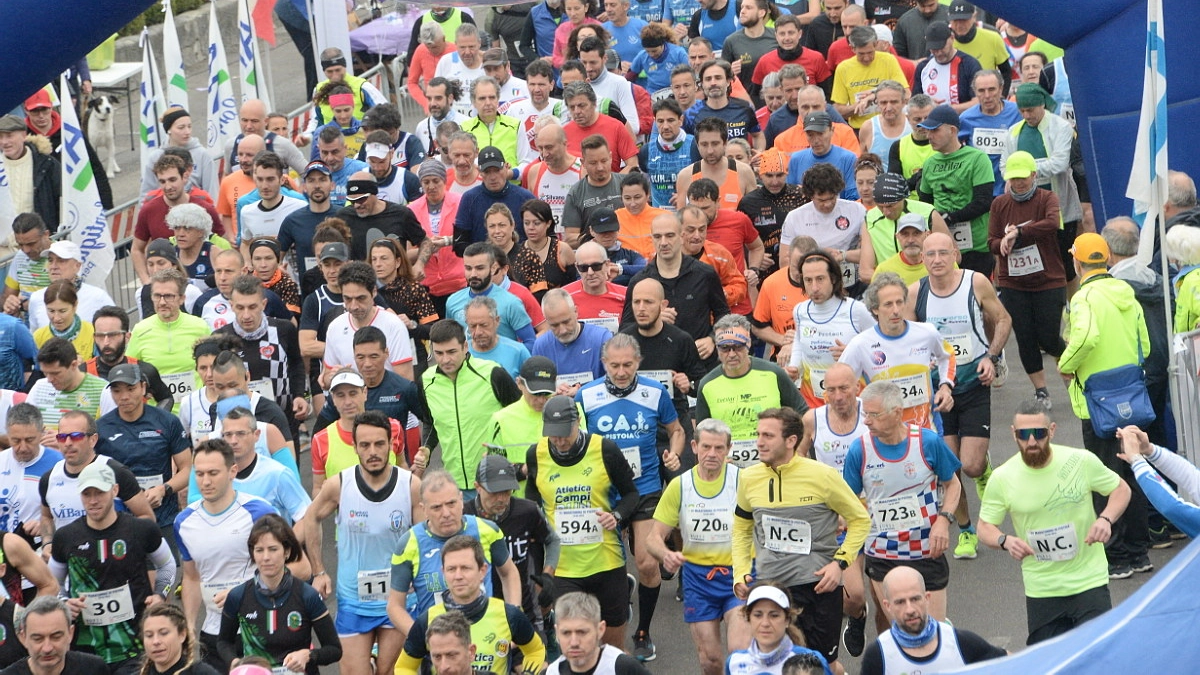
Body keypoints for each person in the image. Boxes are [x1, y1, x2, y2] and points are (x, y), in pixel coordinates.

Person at [977, 400, 1132, 644]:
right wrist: (1004, 540)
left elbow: (1120, 489)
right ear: (1013, 434)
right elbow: (985, 527)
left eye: (1038, 434)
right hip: (1042, 587)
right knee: (1050, 661)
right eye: (1023, 434)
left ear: (1051, 430)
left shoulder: (1080, 461)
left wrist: (1105, 519)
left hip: (1088, 579)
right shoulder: (1002, 477)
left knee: (1097, 655)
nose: (1031, 442)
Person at [732, 408, 869, 671]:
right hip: (773, 588)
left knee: (821, 665)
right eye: (758, 434)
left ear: (791, 440)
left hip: (817, 587)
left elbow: (860, 520)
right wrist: (739, 572)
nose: (759, 442)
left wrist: (839, 564)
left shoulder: (822, 476)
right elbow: (741, 528)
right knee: (780, 663)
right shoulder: (749, 477)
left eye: (768, 436)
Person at [575, 334, 682, 656]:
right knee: (605, 568)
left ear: (638, 363)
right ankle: (619, 596)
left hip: (644, 487)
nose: (621, 372)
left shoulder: (655, 392)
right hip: (601, 491)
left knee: (648, 563)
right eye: (614, 365)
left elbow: (676, 429)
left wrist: (674, 453)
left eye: (627, 365)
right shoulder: (586, 395)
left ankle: (643, 632)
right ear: (603, 363)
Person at [908, 230, 1011, 559]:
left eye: (943, 253)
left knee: (970, 466)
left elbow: (1003, 318)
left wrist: (991, 358)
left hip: (972, 383)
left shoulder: (975, 282)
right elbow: (909, 342)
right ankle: (966, 531)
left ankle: (982, 468)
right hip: (939, 392)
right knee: (948, 469)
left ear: (955, 254)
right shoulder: (916, 292)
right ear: (921, 259)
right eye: (930, 254)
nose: (937, 260)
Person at [1057, 232, 1154, 579]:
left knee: (1105, 478)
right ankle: (1140, 552)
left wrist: (1065, 364)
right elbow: (1145, 344)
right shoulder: (1126, 292)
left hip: (1097, 402)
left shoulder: (1083, 298)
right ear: (1108, 258)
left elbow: (1085, 337)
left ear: (1077, 262)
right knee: (1134, 471)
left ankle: (1117, 558)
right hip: (1131, 394)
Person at [842, 380, 963, 633]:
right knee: (904, 630)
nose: (866, 421)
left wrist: (944, 520)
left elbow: (953, 485)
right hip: (883, 552)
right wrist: (848, 516)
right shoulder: (860, 450)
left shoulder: (927, 442)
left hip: (926, 550)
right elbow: (847, 499)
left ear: (897, 412)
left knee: (934, 631)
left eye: (874, 415)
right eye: (866, 414)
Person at [305, 411, 420, 675]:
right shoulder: (339, 485)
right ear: (355, 447)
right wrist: (318, 570)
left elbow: (425, 536)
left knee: (388, 672)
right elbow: (311, 518)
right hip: (354, 599)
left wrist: (419, 575)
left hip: (399, 599)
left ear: (391, 444)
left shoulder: (410, 485)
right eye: (365, 445)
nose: (373, 451)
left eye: (380, 444)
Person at [526, 396, 641, 649]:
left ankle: (624, 591)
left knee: (610, 651)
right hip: (564, 568)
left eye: (565, 433)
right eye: (553, 434)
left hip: (606, 561)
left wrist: (617, 516)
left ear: (578, 421)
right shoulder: (536, 454)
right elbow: (532, 506)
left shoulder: (605, 449)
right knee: (576, 648)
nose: (559, 440)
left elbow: (632, 495)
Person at [48, 461, 176, 673]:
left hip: (134, 646)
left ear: (115, 490)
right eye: (86, 494)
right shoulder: (66, 537)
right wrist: (63, 603)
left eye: (99, 492)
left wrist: (160, 595)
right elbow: (52, 584)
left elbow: (168, 565)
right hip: (85, 648)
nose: (93, 500)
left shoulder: (141, 529)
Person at [645, 419, 749, 674]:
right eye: (706, 447)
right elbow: (653, 538)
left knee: (739, 654)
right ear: (694, 446)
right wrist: (666, 554)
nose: (712, 454)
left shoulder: (743, 481)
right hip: (698, 579)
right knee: (710, 660)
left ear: (728, 449)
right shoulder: (680, 486)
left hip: (739, 575)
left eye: (718, 448)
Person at [174, 439, 277, 673]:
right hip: (214, 632)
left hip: (258, 626)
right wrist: (189, 626)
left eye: (213, 473)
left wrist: (243, 593)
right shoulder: (184, 522)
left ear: (233, 471)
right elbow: (191, 577)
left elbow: (296, 568)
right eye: (199, 474)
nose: (206, 481)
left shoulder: (259, 511)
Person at [386, 469, 521, 632]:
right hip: (439, 645)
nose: (446, 513)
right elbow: (394, 606)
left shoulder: (487, 530)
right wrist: (421, 639)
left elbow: (509, 573)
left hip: (486, 638)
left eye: (451, 504)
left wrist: (513, 618)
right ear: (424, 509)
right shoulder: (409, 543)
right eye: (436, 507)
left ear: (461, 500)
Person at [395, 535, 545, 674]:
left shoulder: (508, 614)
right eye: (451, 569)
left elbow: (536, 651)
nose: (458, 576)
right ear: (443, 572)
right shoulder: (427, 620)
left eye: (465, 568)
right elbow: (404, 667)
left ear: (482, 571)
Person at [987, 151, 1065, 405]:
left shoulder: (1047, 198)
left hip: (1048, 279)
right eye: (1013, 178)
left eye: (1023, 178)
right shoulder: (1000, 204)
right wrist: (1003, 242)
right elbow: (991, 241)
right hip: (1014, 282)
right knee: (1025, 337)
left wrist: (1018, 233)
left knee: (1049, 336)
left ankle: (1075, 372)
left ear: (1034, 175)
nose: (1018, 183)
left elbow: (1052, 224)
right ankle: (1041, 390)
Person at [217, 515, 341, 673]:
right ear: (253, 554)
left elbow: (334, 649)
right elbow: (223, 642)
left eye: (273, 549)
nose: (266, 557)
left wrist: (308, 655)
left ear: (287, 552)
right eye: (259, 550)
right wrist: (234, 662)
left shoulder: (307, 595)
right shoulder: (238, 596)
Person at [94, 363, 191, 551]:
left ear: (143, 388)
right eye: (117, 391)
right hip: (118, 520)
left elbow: (187, 468)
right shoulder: (101, 428)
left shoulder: (167, 421)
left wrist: (164, 489)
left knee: (168, 577)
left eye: (131, 389)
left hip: (163, 517)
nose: (124, 397)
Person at [839, 272, 954, 430]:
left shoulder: (927, 333)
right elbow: (839, 382)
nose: (896, 310)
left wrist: (945, 386)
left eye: (899, 302)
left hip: (926, 430)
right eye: (888, 304)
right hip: (882, 434)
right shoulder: (860, 345)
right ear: (875, 309)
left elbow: (947, 355)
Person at [420, 320, 522, 496]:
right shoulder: (427, 381)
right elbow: (431, 423)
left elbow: (520, 416)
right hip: (455, 485)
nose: (445, 359)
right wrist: (427, 449)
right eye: (439, 353)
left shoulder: (492, 374)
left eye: (451, 352)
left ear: (465, 346)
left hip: (494, 480)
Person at [1000, 83, 1085, 287]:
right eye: (1022, 111)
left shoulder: (1061, 127)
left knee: (1065, 264)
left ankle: (1070, 309)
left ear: (1042, 105)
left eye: (1031, 110)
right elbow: (1004, 167)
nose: (1027, 115)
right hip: (1026, 209)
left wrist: (1022, 169)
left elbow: (1060, 163)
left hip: (1059, 209)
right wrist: (1021, 173)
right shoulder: (1013, 132)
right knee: (1037, 264)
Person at [621, 214, 730, 369]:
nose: (663, 242)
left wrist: (713, 338)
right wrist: (652, 321)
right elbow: (625, 329)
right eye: (657, 237)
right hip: (657, 365)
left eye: (670, 236)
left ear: (681, 237)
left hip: (699, 362)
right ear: (651, 239)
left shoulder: (704, 274)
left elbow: (723, 313)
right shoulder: (640, 282)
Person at [696, 316, 804, 467]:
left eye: (738, 347)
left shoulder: (773, 373)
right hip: (729, 469)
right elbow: (702, 432)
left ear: (748, 344)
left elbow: (803, 414)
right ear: (717, 347)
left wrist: (796, 450)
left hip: (773, 465)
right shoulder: (707, 384)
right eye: (725, 348)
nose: (732, 354)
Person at [860, 566, 1007, 674]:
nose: (910, 609)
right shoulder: (879, 654)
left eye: (915, 599)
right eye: (900, 602)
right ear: (888, 606)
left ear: (927, 598)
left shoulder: (959, 642)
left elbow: (1010, 663)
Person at [216, 276, 308, 438]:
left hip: (281, 419)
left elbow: (296, 364)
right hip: (238, 425)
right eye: (240, 307)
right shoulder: (221, 337)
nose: (246, 315)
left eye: (252, 307)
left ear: (264, 304)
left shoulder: (283, 329)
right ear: (231, 306)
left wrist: (299, 395)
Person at [915, 104, 996, 275]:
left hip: (976, 246)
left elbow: (984, 202)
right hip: (942, 247)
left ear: (952, 130)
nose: (929, 136)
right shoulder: (930, 163)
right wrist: (938, 222)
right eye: (927, 131)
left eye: (935, 130)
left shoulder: (977, 158)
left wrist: (949, 217)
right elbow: (925, 204)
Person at [134, 154, 226, 285]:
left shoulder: (204, 209)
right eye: (162, 181)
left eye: (172, 180)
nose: (168, 186)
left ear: (185, 177)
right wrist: (146, 280)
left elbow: (223, 242)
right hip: (164, 285)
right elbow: (137, 249)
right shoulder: (149, 210)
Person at [127, 270, 213, 408]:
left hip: (196, 409)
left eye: (168, 296)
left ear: (182, 298)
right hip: (157, 414)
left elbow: (213, 368)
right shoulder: (140, 330)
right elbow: (131, 370)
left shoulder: (200, 326)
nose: (162, 302)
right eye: (157, 296)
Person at [322, 262, 416, 384]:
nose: (354, 306)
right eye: (348, 299)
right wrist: (334, 377)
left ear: (374, 292)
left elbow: (405, 380)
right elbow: (326, 379)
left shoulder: (394, 325)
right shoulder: (335, 327)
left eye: (361, 298)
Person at [782, 163, 871, 288]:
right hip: (811, 286)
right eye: (822, 200)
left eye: (832, 198)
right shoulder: (795, 218)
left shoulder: (857, 210)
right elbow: (785, 262)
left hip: (850, 284)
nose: (828, 204)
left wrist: (843, 255)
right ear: (811, 196)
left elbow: (870, 254)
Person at [724, 584, 833, 675]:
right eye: (758, 615)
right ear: (748, 619)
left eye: (774, 615)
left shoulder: (810, 663)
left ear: (787, 620)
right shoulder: (735, 661)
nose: (765, 623)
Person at [547, 593, 651, 674]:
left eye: (582, 632)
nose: (574, 642)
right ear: (557, 632)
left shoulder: (623, 668)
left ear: (600, 629)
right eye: (566, 633)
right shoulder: (550, 673)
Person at [2, 596, 108, 675]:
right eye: (38, 639)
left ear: (70, 633)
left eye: (56, 637)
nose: (47, 648)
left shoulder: (93, 668)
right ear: (23, 638)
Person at [26, 339, 115, 433]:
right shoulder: (39, 387)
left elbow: (110, 435)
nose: (49, 379)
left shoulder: (103, 390)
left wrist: (64, 438)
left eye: (55, 373)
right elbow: (25, 428)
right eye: (45, 373)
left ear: (74, 365)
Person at [26, 240, 114, 335]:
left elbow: (119, 331)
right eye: (50, 260)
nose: (53, 266)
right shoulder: (36, 298)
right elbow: (34, 338)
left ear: (77, 266)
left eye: (61, 261)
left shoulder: (98, 297)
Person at [831, 27, 909, 131]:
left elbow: (906, 94)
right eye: (861, 54)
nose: (867, 58)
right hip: (860, 128)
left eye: (870, 52)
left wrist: (874, 96)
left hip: (890, 125)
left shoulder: (888, 60)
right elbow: (838, 110)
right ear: (852, 48)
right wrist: (859, 106)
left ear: (876, 44)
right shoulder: (843, 68)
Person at [959, 70, 1022, 195]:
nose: (987, 95)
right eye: (981, 91)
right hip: (980, 188)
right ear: (975, 92)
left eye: (991, 89)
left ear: (1001, 89)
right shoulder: (966, 118)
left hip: (1013, 186)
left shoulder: (1018, 112)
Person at [533, 290, 611, 391]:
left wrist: (582, 392)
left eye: (566, 322)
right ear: (546, 321)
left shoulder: (602, 339)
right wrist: (552, 390)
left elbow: (616, 379)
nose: (562, 330)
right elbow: (538, 383)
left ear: (576, 312)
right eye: (554, 325)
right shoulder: (541, 346)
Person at [138, 107, 217, 201]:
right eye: (181, 127)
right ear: (169, 130)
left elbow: (212, 191)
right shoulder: (155, 157)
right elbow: (146, 194)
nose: (187, 132)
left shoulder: (202, 155)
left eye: (189, 126)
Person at [752, 17, 830, 99]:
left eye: (791, 33)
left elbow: (826, 94)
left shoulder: (816, 58)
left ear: (800, 34)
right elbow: (755, 96)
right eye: (782, 34)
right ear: (776, 36)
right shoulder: (764, 61)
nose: (787, 38)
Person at [914, 23, 981, 111]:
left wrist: (949, 109)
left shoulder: (969, 64)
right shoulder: (923, 67)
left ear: (952, 38)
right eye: (934, 49)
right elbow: (913, 102)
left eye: (942, 47)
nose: (938, 53)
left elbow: (979, 101)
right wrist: (926, 103)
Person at [138, 603, 220, 675]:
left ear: (182, 635)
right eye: (149, 635)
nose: (156, 641)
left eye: (164, 633)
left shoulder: (201, 672)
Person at [29, 281, 92, 360]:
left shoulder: (92, 332)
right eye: (51, 311)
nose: (56, 318)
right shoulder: (38, 337)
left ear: (75, 305)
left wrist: (84, 367)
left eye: (62, 311)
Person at [874, 213, 931, 284]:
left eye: (916, 233)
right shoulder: (884, 270)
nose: (911, 240)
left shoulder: (938, 265)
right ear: (897, 236)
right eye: (905, 234)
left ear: (927, 234)